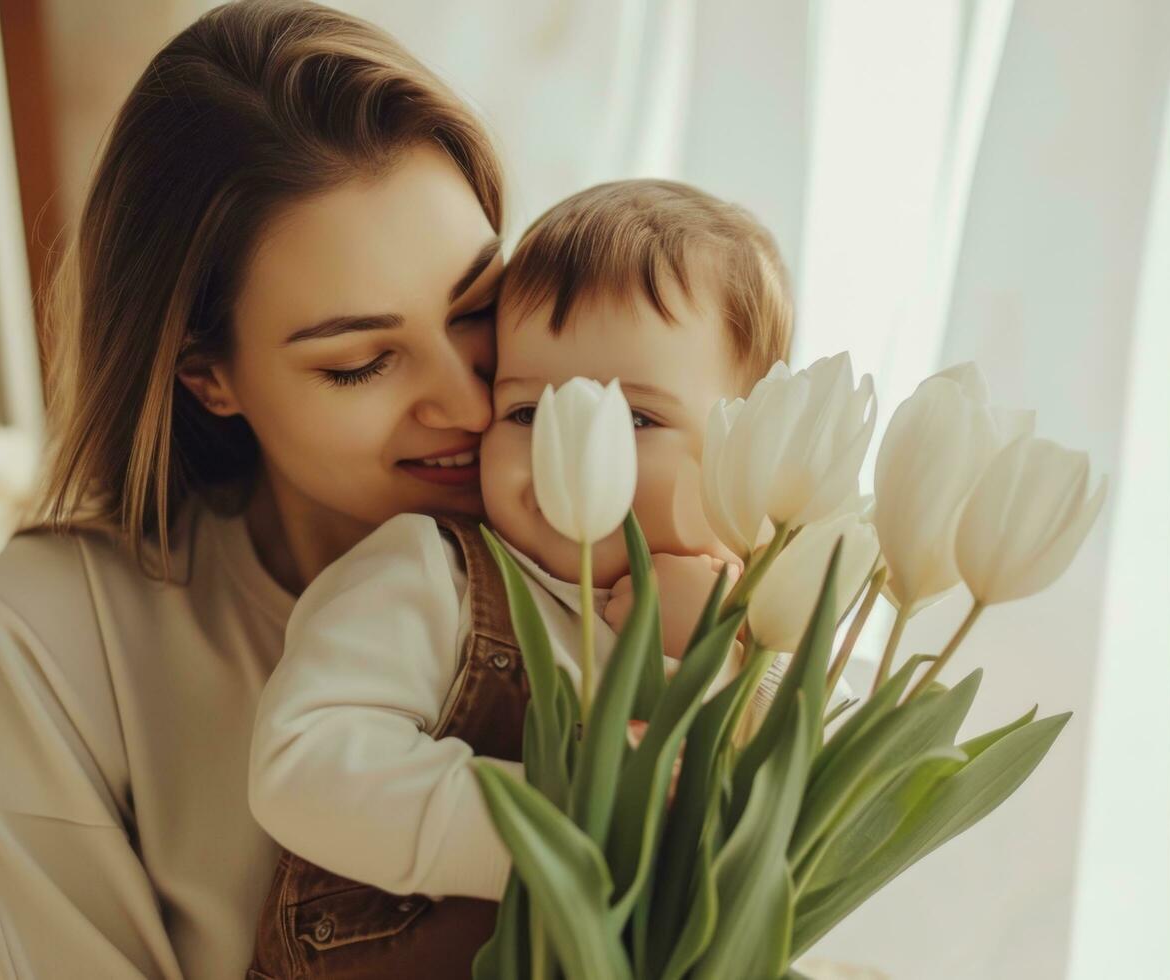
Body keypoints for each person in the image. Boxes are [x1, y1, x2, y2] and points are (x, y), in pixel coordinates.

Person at [0, 2, 509, 976]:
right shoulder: (63, 631)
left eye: (478, 307)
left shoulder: (620, 571)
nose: (466, 402)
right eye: (361, 362)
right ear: (206, 372)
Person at [245, 178, 796, 978]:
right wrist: (549, 822)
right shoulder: (433, 575)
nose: (566, 448)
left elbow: (792, 818)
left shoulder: (763, 615)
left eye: (636, 419)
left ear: (747, 449)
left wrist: (720, 659)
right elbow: (301, 763)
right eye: (527, 412)